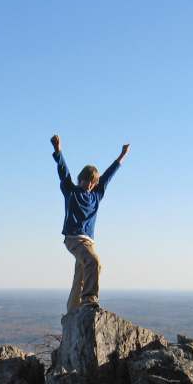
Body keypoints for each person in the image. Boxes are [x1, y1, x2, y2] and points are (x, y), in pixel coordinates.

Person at [50, 134, 130, 313]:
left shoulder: (96, 195)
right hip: (73, 239)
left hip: (89, 242)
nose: (88, 184)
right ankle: (89, 301)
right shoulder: (71, 191)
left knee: (81, 276)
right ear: (80, 179)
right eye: (86, 180)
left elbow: (109, 175)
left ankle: (72, 312)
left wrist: (122, 156)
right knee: (95, 263)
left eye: (92, 181)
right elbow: (63, 171)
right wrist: (58, 150)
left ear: (95, 183)